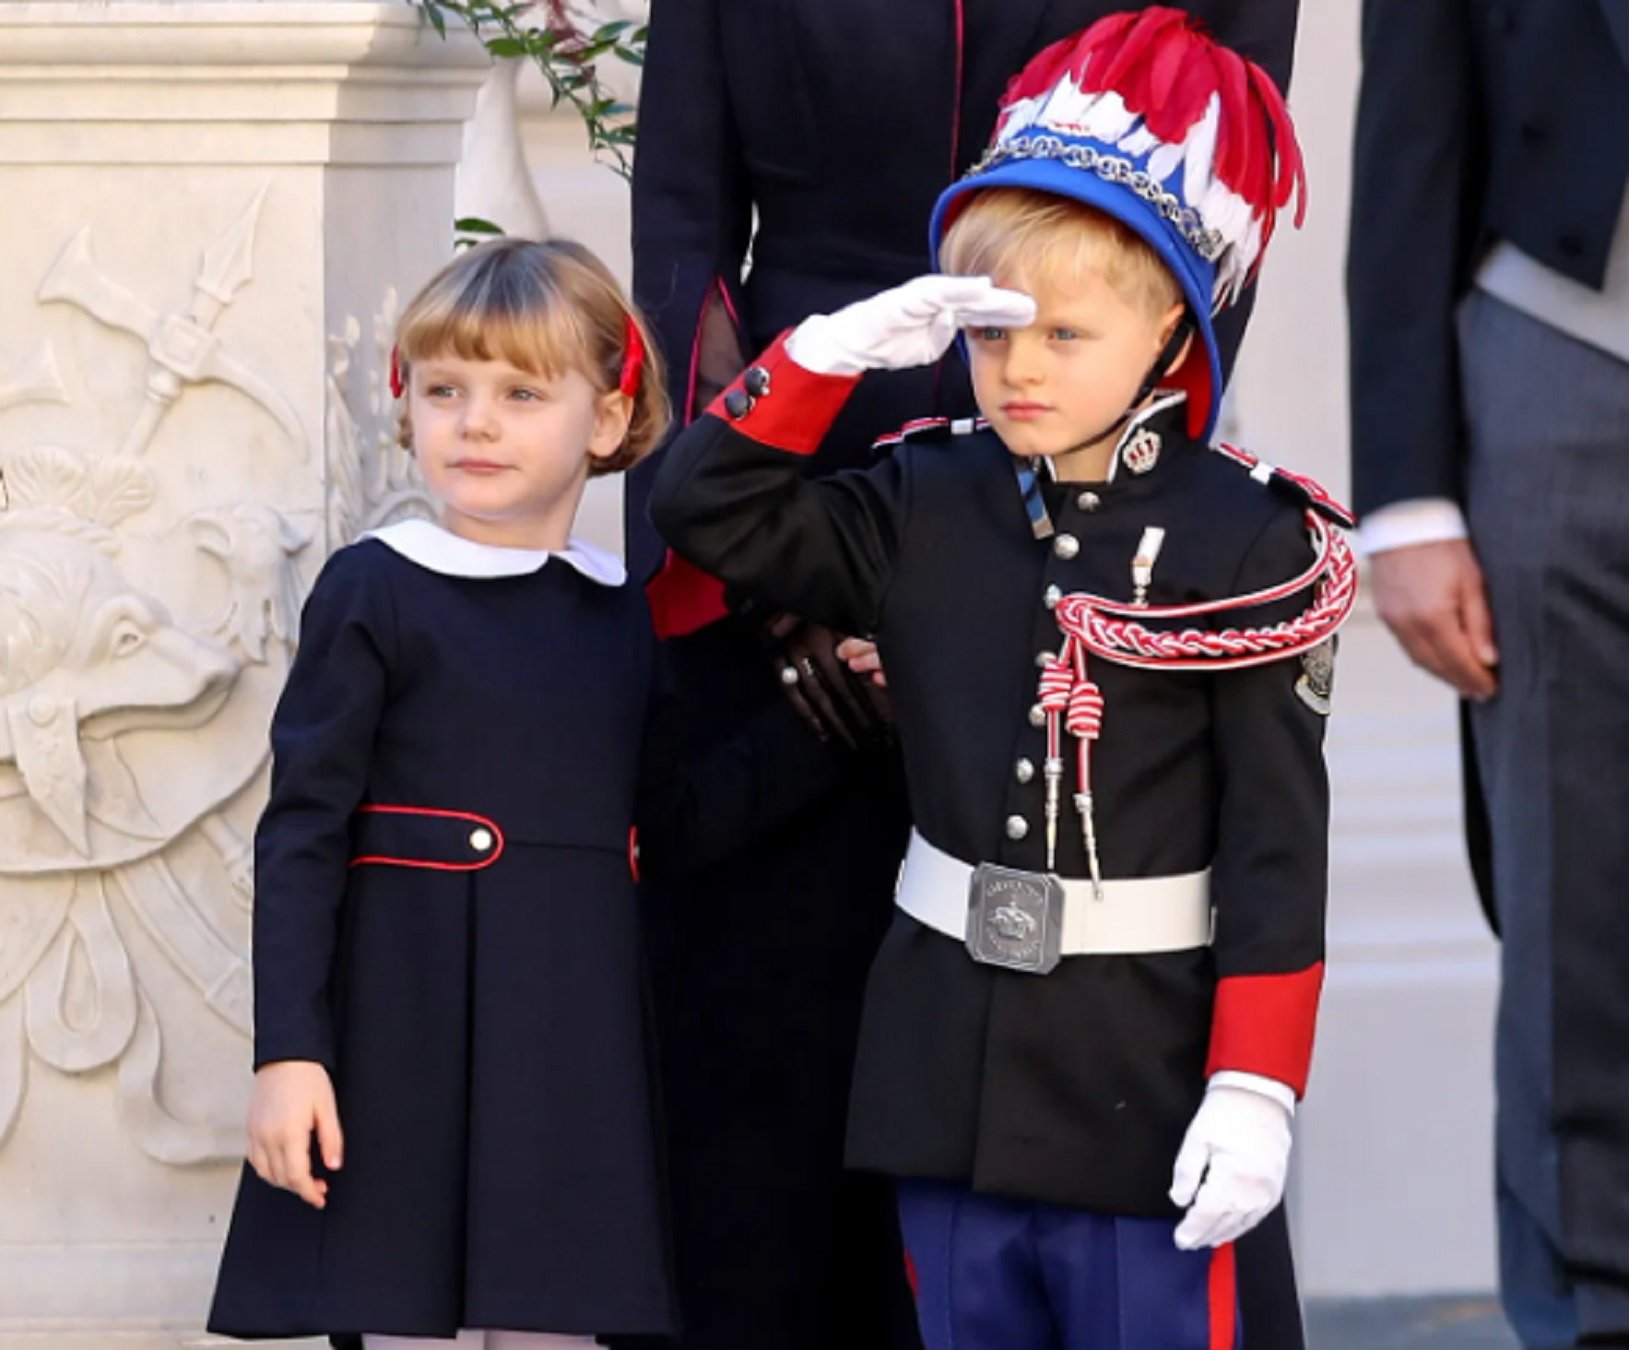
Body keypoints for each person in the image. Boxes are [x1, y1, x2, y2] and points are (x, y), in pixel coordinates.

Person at [647, 12, 1355, 1346]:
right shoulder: (928, 495)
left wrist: (1256, 1082)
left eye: (1066, 340)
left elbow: (1272, 844)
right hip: (946, 1072)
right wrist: (818, 365)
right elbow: (704, 478)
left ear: (1161, 332)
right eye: (1002, 343)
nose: (1021, 367)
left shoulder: (1241, 545)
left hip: (1130, 1075)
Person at [205, 238, 851, 1348]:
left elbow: (674, 822)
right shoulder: (375, 590)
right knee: (398, 1309)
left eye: (518, 393)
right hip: (397, 1036)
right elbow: (301, 833)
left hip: (569, 1039)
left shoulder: (618, 620)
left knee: (555, 1318)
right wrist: (288, 1055)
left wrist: (828, 714)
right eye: (446, 391)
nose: (476, 422)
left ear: (605, 422)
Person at [1347, 2, 1629, 1343]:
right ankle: (1597, 1305)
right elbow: (1409, 130)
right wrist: (1404, 497)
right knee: (1576, 900)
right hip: (1566, 356)